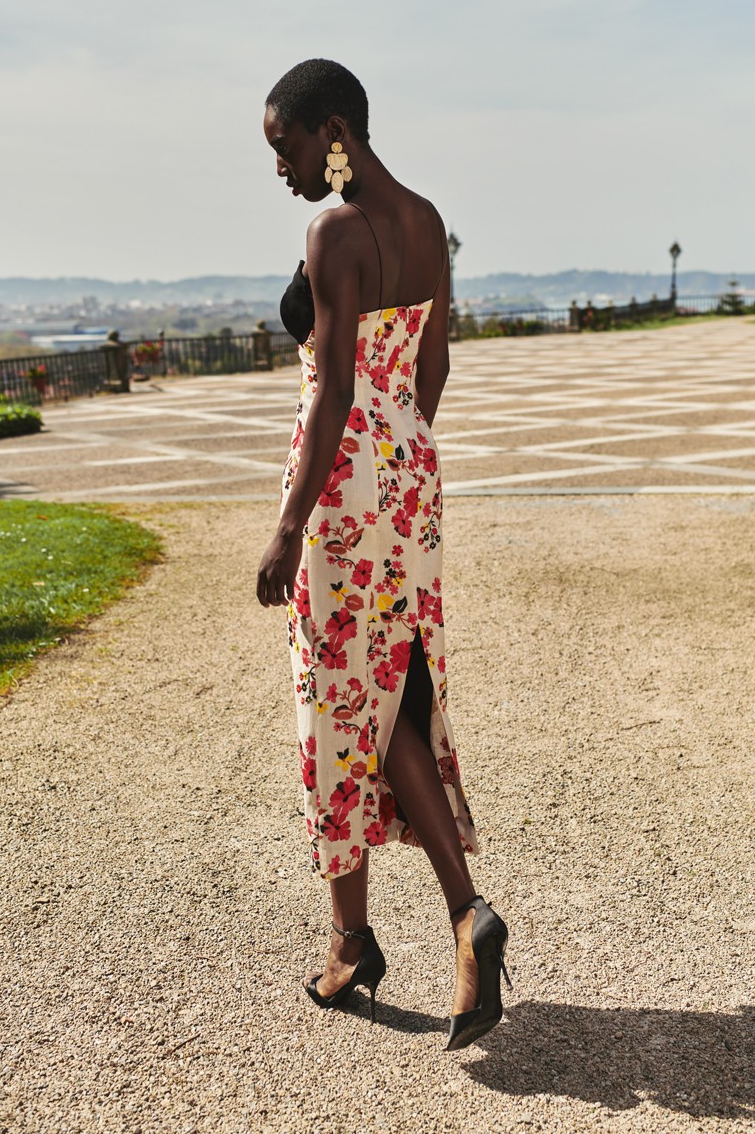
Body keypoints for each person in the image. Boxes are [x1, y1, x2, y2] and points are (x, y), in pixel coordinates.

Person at [256, 59, 511, 1051]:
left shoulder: (334, 230)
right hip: (407, 471)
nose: (278, 167)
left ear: (330, 130)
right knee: (392, 686)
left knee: (336, 699)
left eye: (282, 145)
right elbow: (431, 365)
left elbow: (329, 394)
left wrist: (290, 522)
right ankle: (396, 931)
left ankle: (374, 933)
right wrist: (399, 458)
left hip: (341, 480)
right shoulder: (423, 220)